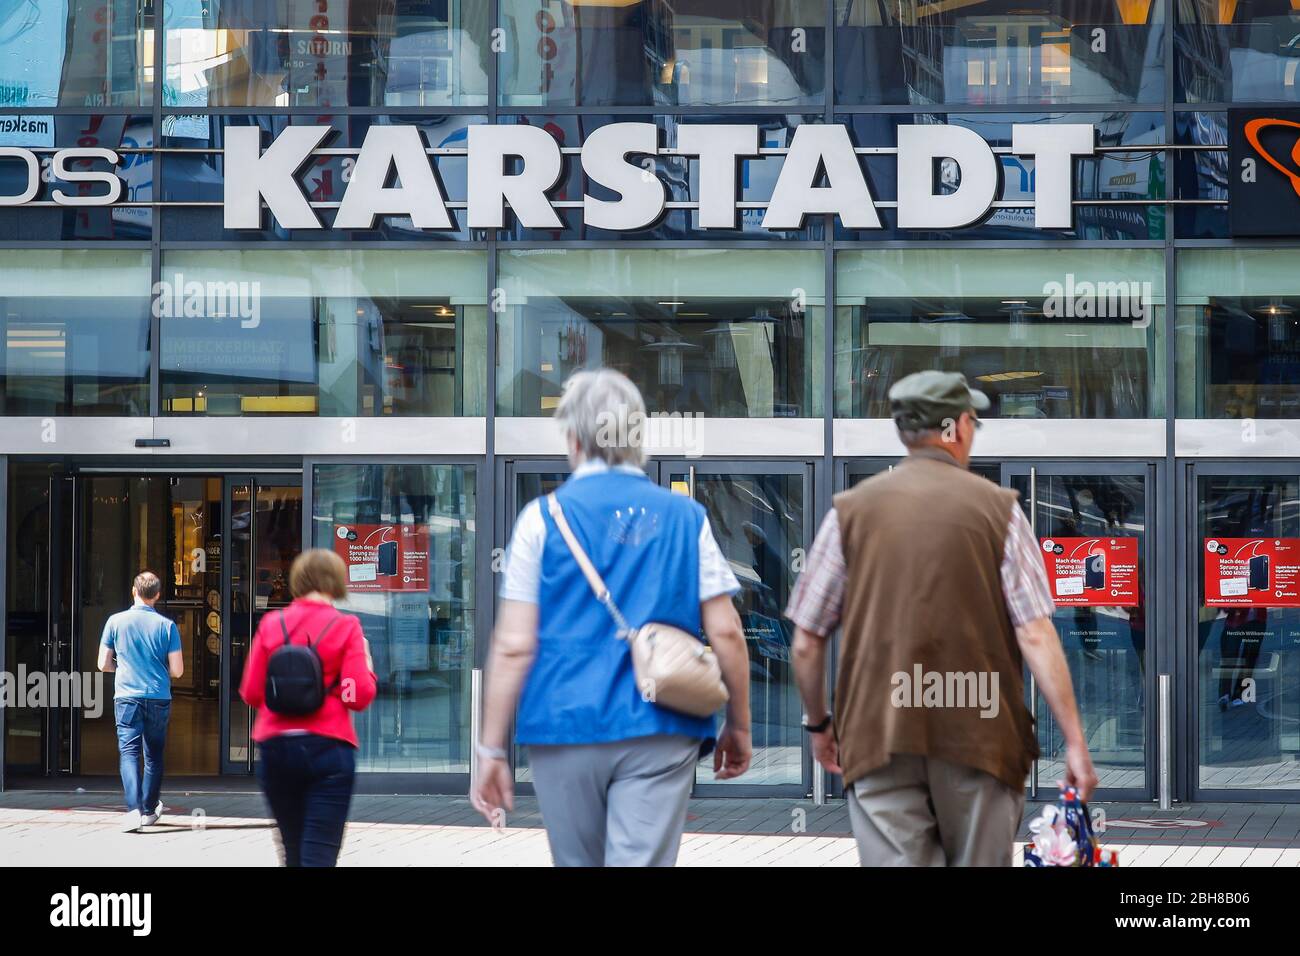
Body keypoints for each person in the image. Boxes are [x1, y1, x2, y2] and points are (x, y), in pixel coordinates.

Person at [787, 370, 1098, 866]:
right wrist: (1076, 744)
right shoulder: (1000, 513)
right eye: (974, 420)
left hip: (879, 736)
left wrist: (819, 725)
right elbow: (1035, 633)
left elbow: (806, 640)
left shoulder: (849, 512)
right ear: (954, 428)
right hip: (982, 739)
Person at [471, 368, 753, 866]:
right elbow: (726, 630)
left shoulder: (541, 518)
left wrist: (491, 750)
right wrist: (740, 724)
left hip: (564, 723)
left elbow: (514, 644)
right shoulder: (687, 518)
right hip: (662, 722)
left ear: (574, 437)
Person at [239, 549, 376, 867]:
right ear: (336, 581)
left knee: (292, 851)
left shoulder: (273, 624)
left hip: (276, 748)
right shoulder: (347, 627)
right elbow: (359, 695)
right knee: (320, 853)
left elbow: (250, 692)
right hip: (328, 748)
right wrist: (365, 666)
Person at [97, 570, 184, 833]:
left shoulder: (115, 621)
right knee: (154, 756)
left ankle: (133, 809)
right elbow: (178, 670)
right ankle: (148, 810)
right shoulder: (167, 626)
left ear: (134, 592)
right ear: (157, 595)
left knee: (129, 753)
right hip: (158, 696)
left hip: (126, 696)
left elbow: (102, 664)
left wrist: (121, 667)